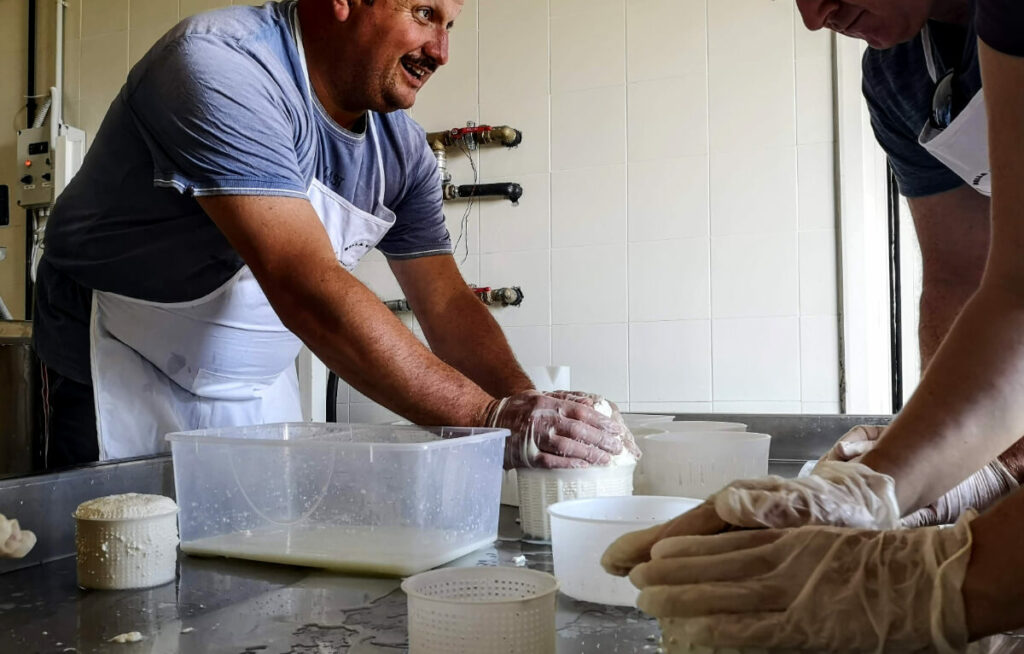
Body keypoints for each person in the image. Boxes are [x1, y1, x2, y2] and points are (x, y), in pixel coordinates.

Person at [32, 0, 633, 471]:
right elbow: (304, 285)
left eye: (451, 24)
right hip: (116, 362)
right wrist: (488, 417)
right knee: (117, 581)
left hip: (256, 389)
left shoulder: (402, 152)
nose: (442, 51)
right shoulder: (220, 67)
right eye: (424, 14)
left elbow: (446, 303)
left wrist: (538, 417)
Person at [603, 0, 1024, 650]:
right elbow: (990, 292)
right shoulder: (903, 75)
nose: (812, 15)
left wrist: (947, 585)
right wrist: (887, 483)